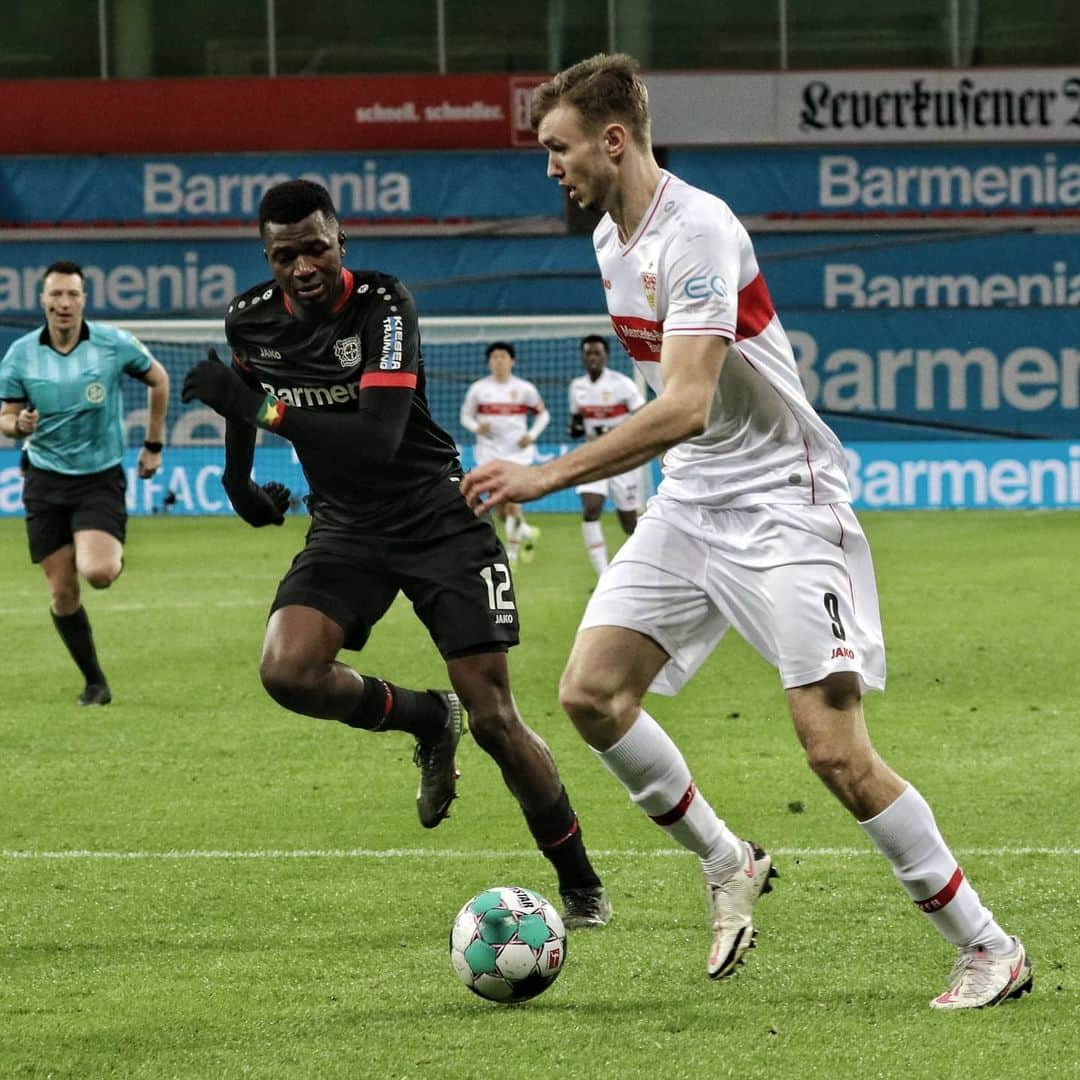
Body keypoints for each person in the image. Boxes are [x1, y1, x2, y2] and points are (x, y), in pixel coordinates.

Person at [462, 53, 1031, 1008]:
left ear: (612, 138)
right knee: (592, 694)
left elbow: (684, 402)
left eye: (557, 147)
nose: (548, 167)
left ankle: (988, 945)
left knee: (834, 751)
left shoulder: (700, 231)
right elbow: (686, 424)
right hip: (695, 497)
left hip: (783, 500)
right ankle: (728, 861)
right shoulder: (610, 239)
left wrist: (546, 473)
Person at [179, 179, 610, 929]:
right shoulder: (249, 321)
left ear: (341, 240)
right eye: (286, 254)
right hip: (346, 525)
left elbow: (374, 438)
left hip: (436, 513)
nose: (304, 265)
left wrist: (256, 408)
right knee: (288, 670)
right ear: (268, 257)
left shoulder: (383, 305)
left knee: (497, 719)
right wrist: (238, 480)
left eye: (316, 246)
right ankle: (421, 719)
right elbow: (242, 391)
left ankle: (580, 883)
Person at [0, 260, 169, 705]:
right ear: (42, 300)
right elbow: (6, 418)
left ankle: (102, 547)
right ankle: (95, 683)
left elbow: (159, 378)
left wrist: (153, 444)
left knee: (99, 572)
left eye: (72, 294)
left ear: (83, 301)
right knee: (62, 592)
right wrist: (21, 426)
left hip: (98, 478)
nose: (63, 303)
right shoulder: (20, 354)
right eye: (55, 294)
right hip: (44, 479)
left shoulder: (112, 345)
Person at [459, 342, 547, 565]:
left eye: (503, 356)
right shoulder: (478, 389)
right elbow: (465, 416)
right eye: (494, 357)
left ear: (512, 361)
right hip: (489, 454)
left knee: (512, 501)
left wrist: (532, 434)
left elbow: (543, 415)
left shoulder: (525, 389)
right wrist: (476, 428)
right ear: (489, 362)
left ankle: (513, 552)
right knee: (500, 509)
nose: (498, 360)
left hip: (518, 454)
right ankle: (526, 531)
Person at [567, 334, 645, 578]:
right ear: (582, 356)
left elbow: (643, 416)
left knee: (629, 523)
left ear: (605, 356)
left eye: (597, 353)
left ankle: (646, 568)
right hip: (594, 455)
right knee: (591, 509)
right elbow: (576, 423)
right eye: (588, 353)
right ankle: (604, 577)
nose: (592, 357)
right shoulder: (577, 387)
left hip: (622, 457)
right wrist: (576, 428)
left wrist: (614, 431)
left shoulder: (622, 384)